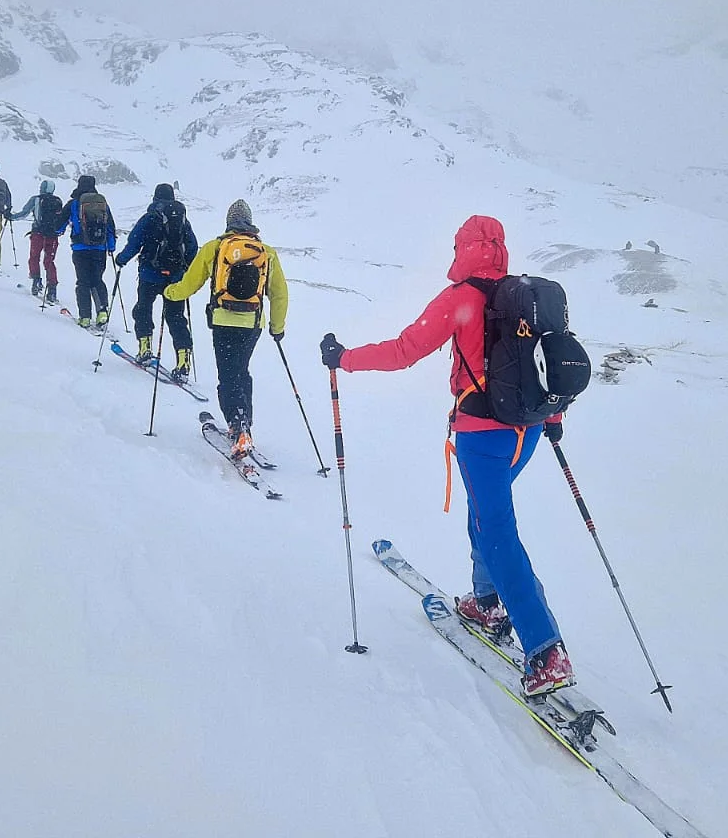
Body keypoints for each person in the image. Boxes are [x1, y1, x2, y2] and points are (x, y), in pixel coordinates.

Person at [319, 215, 574, 697]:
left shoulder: (462, 298)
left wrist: (344, 358)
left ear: (463, 248)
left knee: (497, 533)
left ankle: (546, 649)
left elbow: (403, 350)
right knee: (485, 519)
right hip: (530, 431)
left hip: (483, 437)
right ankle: (485, 601)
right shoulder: (525, 297)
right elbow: (546, 364)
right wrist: (554, 420)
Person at [165, 199, 288, 455]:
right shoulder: (266, 252)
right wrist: (277, 327)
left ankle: (237, 426)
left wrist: (170, 292)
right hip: (253, 323)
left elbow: (190, 284)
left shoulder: (215, 247)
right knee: (242, 371)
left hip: (223, 321)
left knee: (228, 375)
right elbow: (279, 294)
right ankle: (245, 424)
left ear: (228, 222)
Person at [113, 184, 197, 369]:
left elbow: (134, 243)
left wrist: (121, 260)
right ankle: (183, 361)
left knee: (143, 310)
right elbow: (192, 248)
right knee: (176, 318)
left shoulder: (149, 218)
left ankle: (145, 349)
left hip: (149, 275)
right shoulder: (183, 220)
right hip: (175, 279)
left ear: (155, 197)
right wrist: (186, 270)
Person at [61, 174, 116, 328]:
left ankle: (85, 317)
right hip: (100, 248)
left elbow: (60, 224)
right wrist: (111, 246)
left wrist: (59, 231)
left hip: (80, 248)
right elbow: (110, 226)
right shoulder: (102, 203)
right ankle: (102, 311)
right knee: (97, 279)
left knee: (83, 281)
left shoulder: (74, 203)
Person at [11, 179, 64, 303]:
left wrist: (11, 216)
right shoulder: (58, 201)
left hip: (38, 233)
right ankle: (52, 289)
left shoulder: (36, 199)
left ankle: (36, 282)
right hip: (52, 235)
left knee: (34, 257)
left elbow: (24, 213)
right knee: (49, 261)